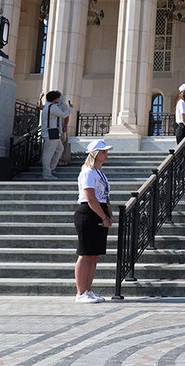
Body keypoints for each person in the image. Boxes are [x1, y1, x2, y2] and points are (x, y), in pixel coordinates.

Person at [74, 139, 114, 303]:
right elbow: (90, 198)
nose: (106, 155)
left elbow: (106, 198)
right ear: (95, 154)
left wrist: (109, 216)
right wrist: (103, 217)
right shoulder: (87, 172)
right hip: (88, 213)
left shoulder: (100, 173)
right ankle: (80, 292)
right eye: (103, 152)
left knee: (93, 255)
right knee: (85, 253)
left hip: (100, 212)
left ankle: (88, 290)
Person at [40, 90, 73, 180]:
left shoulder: (48, 106)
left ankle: (51, 168)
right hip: (50, 133)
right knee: (48, 153)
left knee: (60, 149)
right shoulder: (52, 107)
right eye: (58, 97)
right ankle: (47, 173)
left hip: (51, 132)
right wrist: (70, 109)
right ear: (55, 99)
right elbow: (63, 115)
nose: (59, 99)